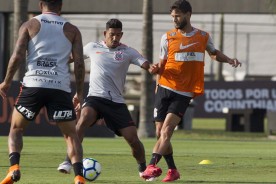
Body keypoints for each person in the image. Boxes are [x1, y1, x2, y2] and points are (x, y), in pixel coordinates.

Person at [141, 0, 242, 182]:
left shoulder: (202, 36)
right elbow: (161, 64)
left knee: (167, 131)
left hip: (184, 92)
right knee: (159, 133)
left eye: (177, 16)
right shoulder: (167, 37)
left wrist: (228, 60)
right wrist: (155, 71)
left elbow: (213, 53)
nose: (175, 19)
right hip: (164, 87)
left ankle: (151, 165)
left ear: (188, 14)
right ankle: (173, 170)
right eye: (172, 17)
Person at [56, 18, 158, 178]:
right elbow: (72, 57)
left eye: (118, 35)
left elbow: (145, 63)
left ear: (122, 34)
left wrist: (152, 67)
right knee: (83, 120)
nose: (115, 38)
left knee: (133, 139)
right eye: (112, 34)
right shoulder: (92, 47)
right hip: (95, 98)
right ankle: (68, 161)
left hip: (116, 102)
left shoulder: (128, 52)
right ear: (105, 33)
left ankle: (143, 169)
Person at [0, 0, 86, 183]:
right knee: (71, 135)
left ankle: (14, 167)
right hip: (60, 88)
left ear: (41, 5)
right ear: (61, 6)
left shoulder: (30, 24)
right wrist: (79, 92)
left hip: (34, 85)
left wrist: (6, 82)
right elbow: (79, 63)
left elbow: (17, 56)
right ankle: (79, 176)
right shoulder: (72, 30)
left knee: (16, 128)